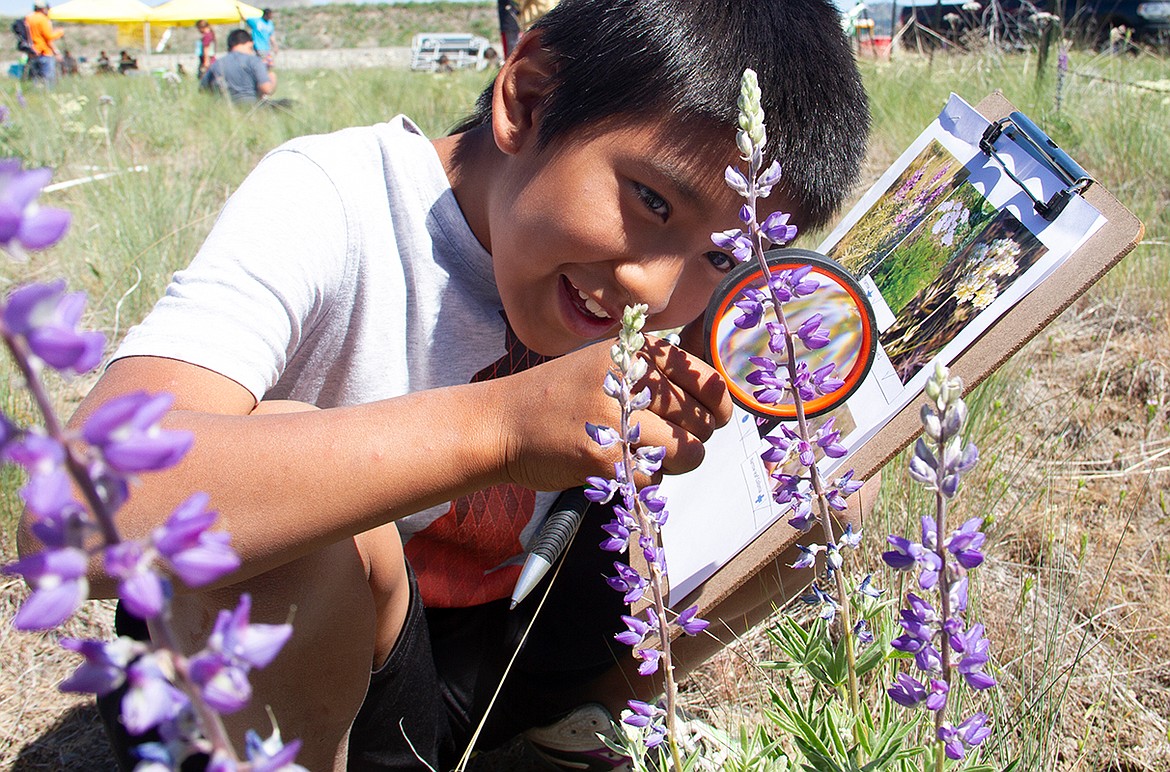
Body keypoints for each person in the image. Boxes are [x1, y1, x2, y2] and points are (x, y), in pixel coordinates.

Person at [46, 1, 869, 769]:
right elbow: (74, 517)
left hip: (498, 653)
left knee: (825, 488)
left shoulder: (657, 296)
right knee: (303, 526)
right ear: (529, 97)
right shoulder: (334, 199)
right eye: (650, 199)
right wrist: (504, 428)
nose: (655, 289)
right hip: (325, 661)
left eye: (721, 253)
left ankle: (567, 736)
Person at [199, 28, 275, 103]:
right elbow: (266, 89)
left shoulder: (217, 64)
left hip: (225, 108)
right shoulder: (254, 61)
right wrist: (271, 76)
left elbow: (202, 89)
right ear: (250, 43)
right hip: (252, 107)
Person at [23, 0, 63, 85]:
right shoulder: (42, 19)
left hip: (32, 52)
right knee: (48, 79)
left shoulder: (28, 18)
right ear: (43, 8)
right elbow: (48, 37)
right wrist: (60, 33)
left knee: (36, 79)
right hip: (44, 52)